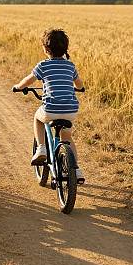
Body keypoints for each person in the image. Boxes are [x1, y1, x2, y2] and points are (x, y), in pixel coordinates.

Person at [13, 28, 85, 183]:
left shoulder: (43, 65)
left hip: (51, 109)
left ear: (46, 49)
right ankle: (76, 170)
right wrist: (79, 88)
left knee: (38, 118)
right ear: (66, 49)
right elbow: (79, 85)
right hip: (70, 111)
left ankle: (41, 148)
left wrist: (18, 86)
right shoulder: (70, 66)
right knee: (67, 138)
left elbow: (29, 80)